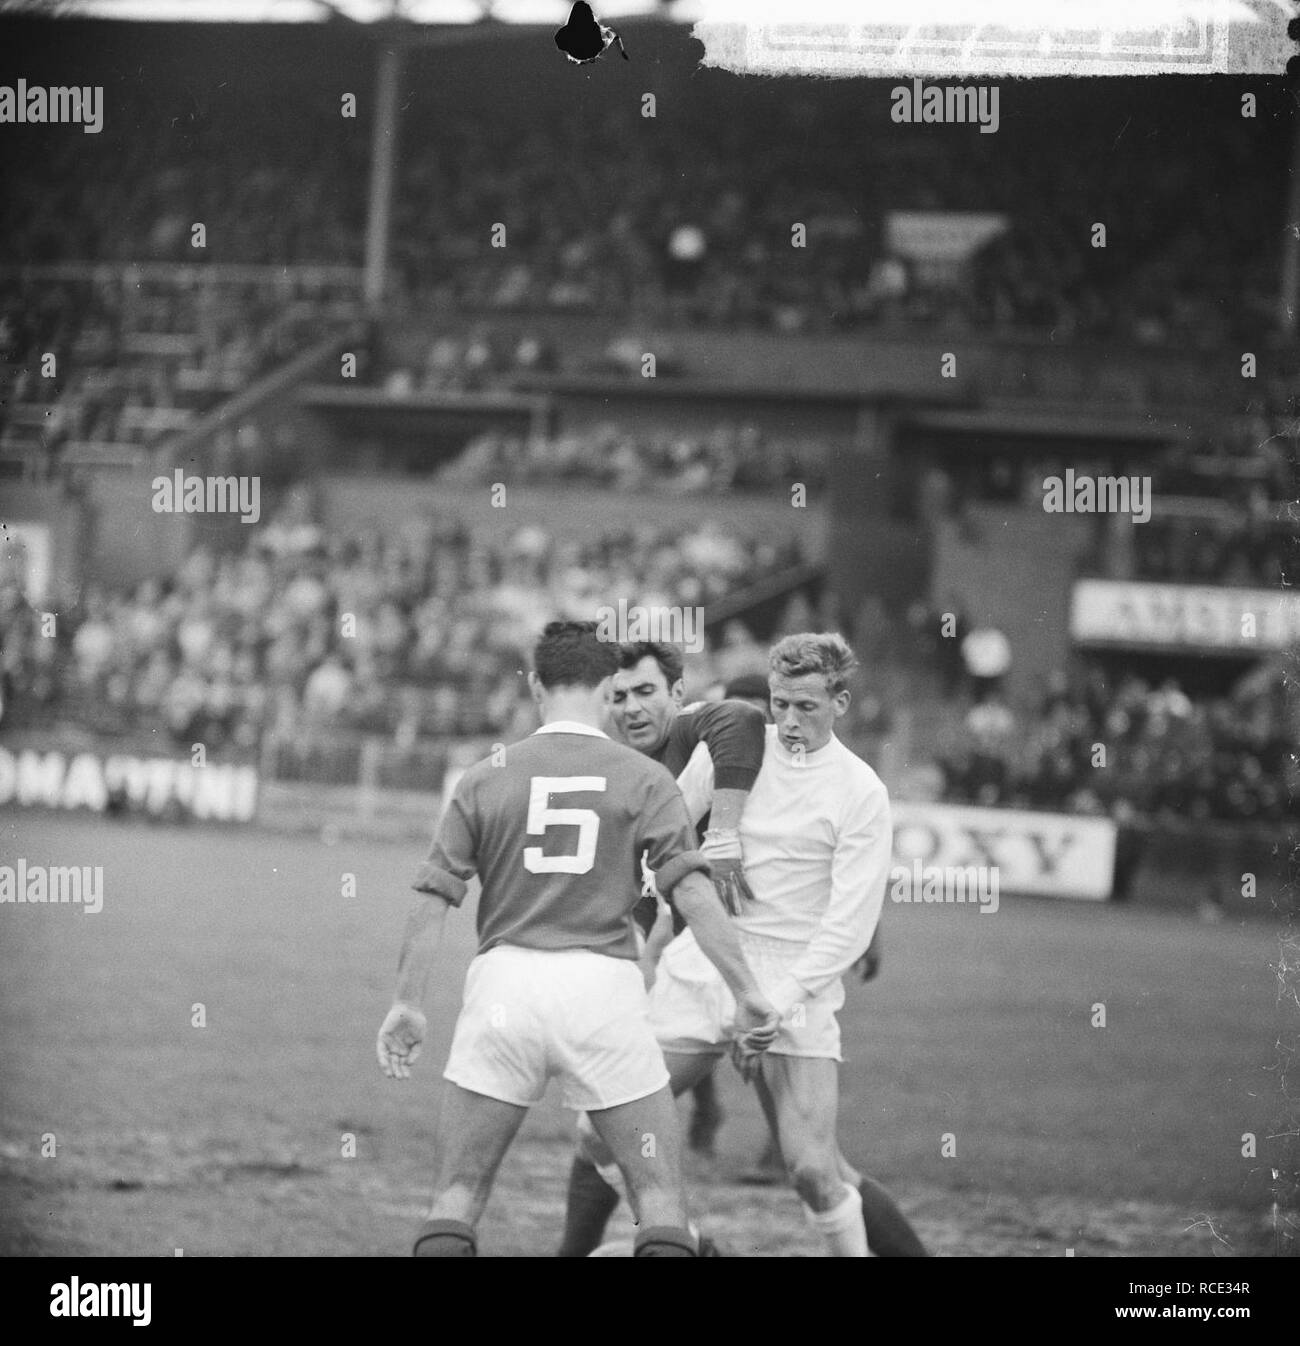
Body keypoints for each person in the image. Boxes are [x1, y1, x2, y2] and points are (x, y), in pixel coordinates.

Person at [376, 620, 778, 1257]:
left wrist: (407, 1003)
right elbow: (692, 892)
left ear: (536, 685)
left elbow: (433, 895)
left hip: (503, 990)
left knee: (456, 1195)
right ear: (606, 686)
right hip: (602, 991)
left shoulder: (484, 777)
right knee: (660, 1200)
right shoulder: (644, 779)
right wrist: (749, 993)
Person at [560, 633, 927, 1257]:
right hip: (705, 961)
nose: (786, 719)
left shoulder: (861, 792)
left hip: (796, 985)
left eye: (805, 706)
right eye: (779, 703)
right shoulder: (739, 751)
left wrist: (773, 1003)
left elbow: (849, 926)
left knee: (814, 1170)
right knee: (598, 1129)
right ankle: (687, 1241)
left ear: (840, 703)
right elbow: (667, 827)